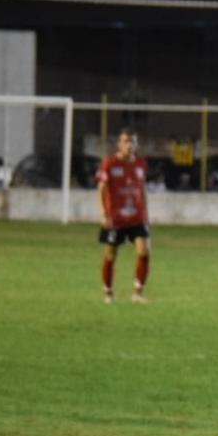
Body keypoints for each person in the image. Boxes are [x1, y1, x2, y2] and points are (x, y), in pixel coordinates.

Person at [96, 128, 151, 304]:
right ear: (119, 144)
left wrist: (145, 214)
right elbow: (101, 189)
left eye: (132, 141)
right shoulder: (110, 163)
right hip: (115, 219)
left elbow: (142, 190)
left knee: (143, 251)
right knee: (110, 254)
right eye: (126, 141)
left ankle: (138, 292)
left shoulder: (141, 164)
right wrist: (104, 214)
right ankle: (108, 292)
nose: (130, 145)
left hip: (136, 218)